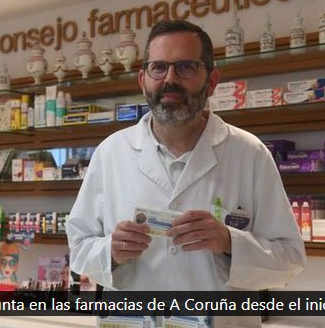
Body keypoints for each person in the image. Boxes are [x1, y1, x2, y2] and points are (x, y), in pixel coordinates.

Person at [67, 20, 306, 291]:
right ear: (143, 80)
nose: (170, 79)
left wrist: (230, 242)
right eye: (159, 67)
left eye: (186, 67)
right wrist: (110, 252)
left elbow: (290, 259)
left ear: (212, 81)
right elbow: (79, 250)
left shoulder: (250, 153)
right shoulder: (111, 153)